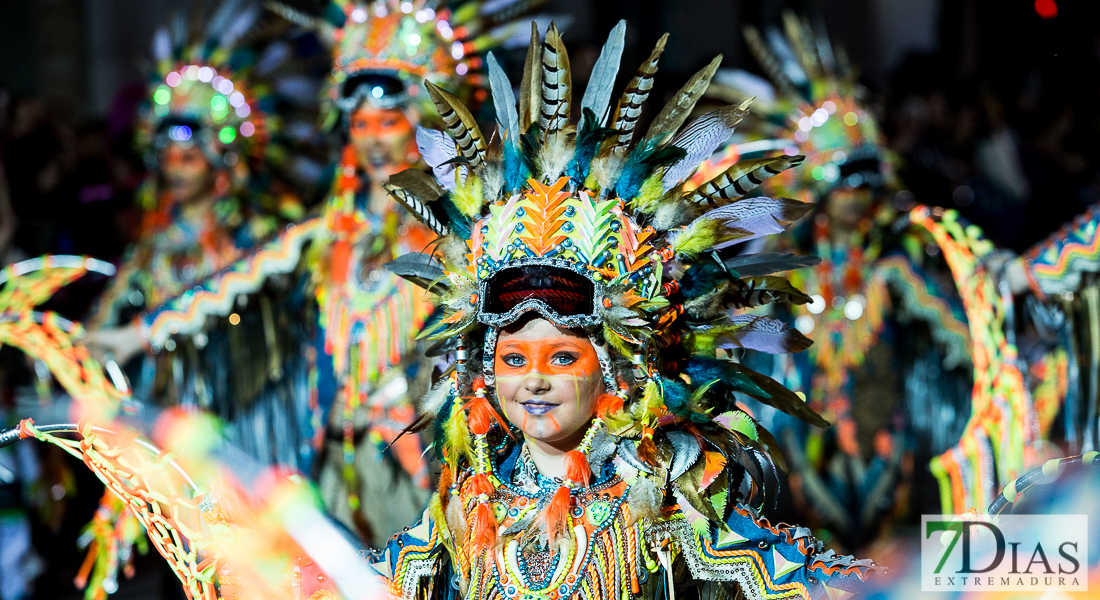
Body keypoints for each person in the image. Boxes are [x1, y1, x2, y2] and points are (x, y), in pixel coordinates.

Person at [346, 21, 881, 600]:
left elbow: (808, 580)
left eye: (561, 356)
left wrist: (964, 569)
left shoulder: (665, 499)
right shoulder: (466, 501)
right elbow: (357, 582)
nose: (533, 381)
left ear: (616, 368)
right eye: (515, 357)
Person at [267, 0, 545, 545]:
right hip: (327, 454)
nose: (372, 138)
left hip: (420, 458)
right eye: (360, 123)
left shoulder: (461, 234)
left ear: (421, 123)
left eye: (388, 122)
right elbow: (230, 283)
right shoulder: (326, 232)